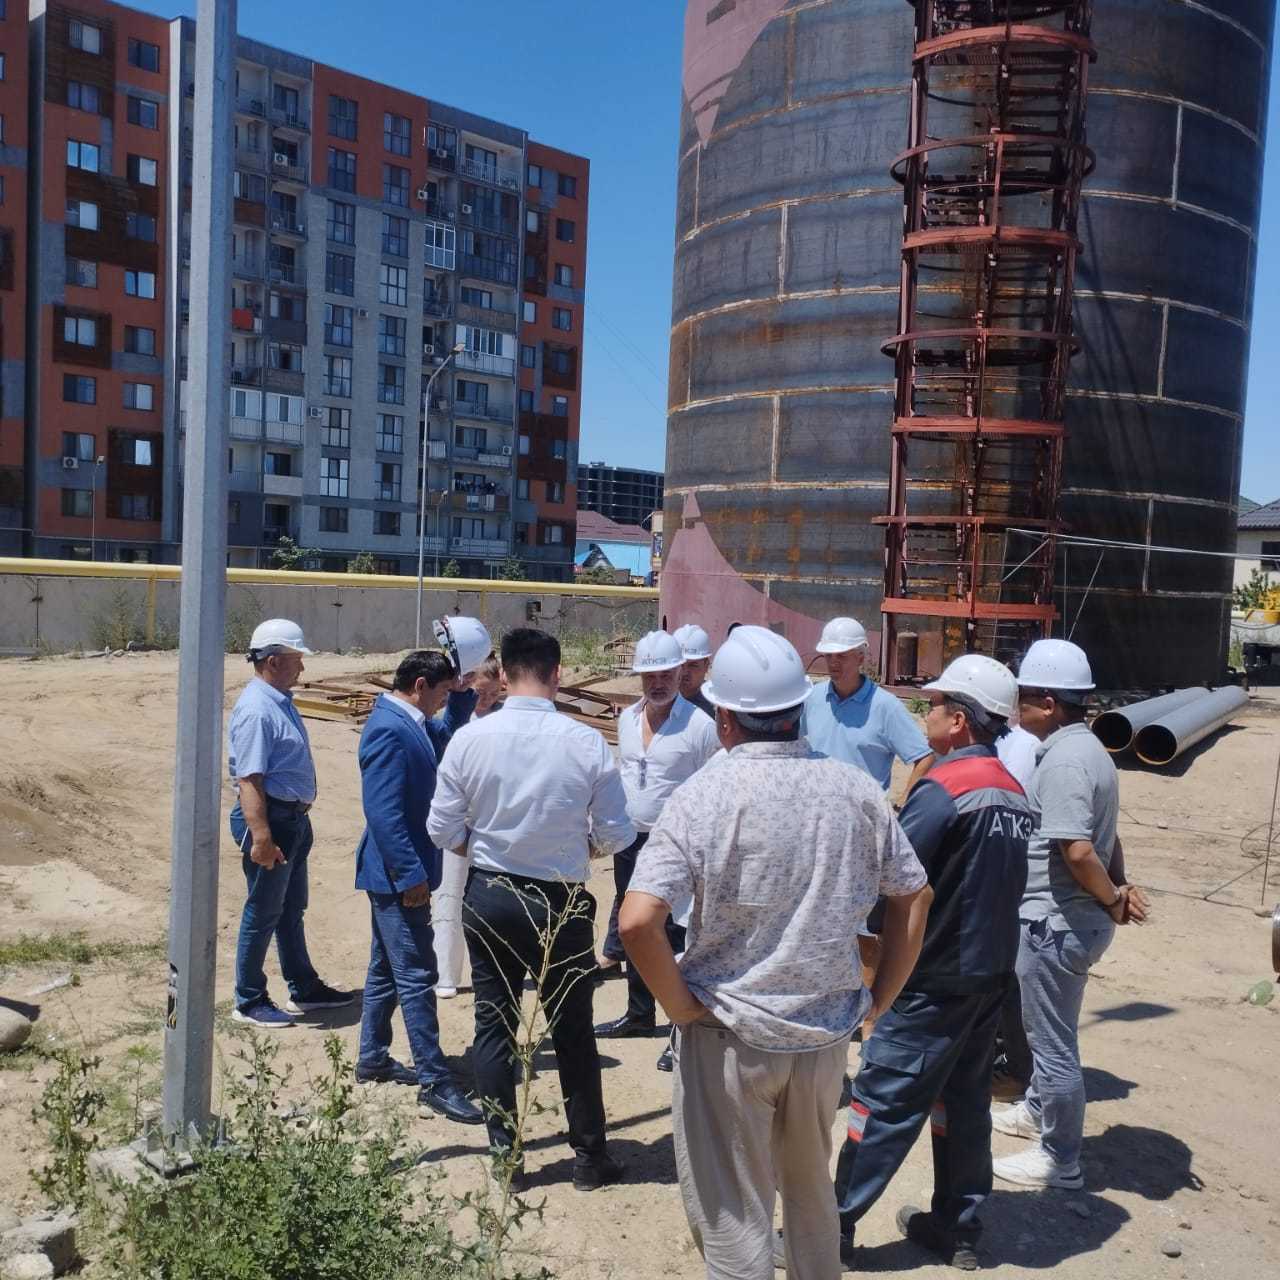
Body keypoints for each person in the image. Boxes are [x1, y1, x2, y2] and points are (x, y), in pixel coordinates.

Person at [620, 626, 932, 1280]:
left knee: (736, 1215)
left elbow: (638, 921)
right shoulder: (855, 791)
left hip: (730, 1039)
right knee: (812, 1194)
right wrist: (879, 1000)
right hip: (822, 1042)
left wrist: (681, 1008)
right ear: (798, 710)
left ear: (724, 718)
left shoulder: (703, 796)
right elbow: (915, 895)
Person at [829, 655, 1032, 1270]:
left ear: (961, 720)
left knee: (883, 1103)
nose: (928, 712)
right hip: (989, 980)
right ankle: (958, 1229)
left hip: (932, 982)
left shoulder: (944, 789)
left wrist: (862, 942)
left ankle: (830, 1230)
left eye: (937, 704)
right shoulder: (1013, 791)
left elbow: (895, 874)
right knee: (964, 1106)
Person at [428, 627, 635, 1190]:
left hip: (490, 894)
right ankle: (589, 1158)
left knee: (493, 1024)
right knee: (572, 1030)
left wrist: (486, 849)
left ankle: (506, 1157)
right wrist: (579, 847)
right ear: (558, 673)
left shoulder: (471, 740)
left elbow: (441, 827)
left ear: (503, 673)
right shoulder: (585, 742)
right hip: (559, 903)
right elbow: (617, 833)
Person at [992, 639, 1149, 1191]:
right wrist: (1118, 886)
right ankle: (1037, 1110)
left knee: (1053, 1044)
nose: (1016, 707)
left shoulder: (1063, 761)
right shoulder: (1088, 751)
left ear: (1050, 703)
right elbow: (1109, 838)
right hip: (1070, 920)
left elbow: (1079, 851)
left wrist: (1111, 899)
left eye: (1024, 697)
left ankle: (1060, 1159)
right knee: (1047, 1031)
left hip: (1055, 924)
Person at [353, 649, 482, 1124]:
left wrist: (462, 695)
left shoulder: (410, 720)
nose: (444, 700)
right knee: (416, 973)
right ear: (421, 685)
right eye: (443, 692)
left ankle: (373, 1057)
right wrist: (411, 876)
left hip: (397, 872)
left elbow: (443, 739)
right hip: (396, 875)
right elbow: (383, 813)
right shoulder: (389, 729)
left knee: (385, 969)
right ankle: (434, 1080)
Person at [595, 632, 719, 1067]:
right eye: (650, 676)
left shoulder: (700, 726)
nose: (658, 683)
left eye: (666, 674)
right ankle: (638, 1012)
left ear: (680, 672)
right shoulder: (627, 719)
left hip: (678, 845)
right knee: (633, 926)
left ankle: (679, 1028)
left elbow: (715, 787)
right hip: (631, 840)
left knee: (677, 932)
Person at [227, 619, 352, 1028]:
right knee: (263, 911)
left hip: (292, 820)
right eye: (297, 659)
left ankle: (304, 987)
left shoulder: (279, 701)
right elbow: (249, 779)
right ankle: (249, 999)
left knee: (290, 909)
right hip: (272, 822)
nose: (303, 667)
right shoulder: (257, 710)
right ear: (275, 661)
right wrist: (261, 836)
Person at [802, 616, 934, 805]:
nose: (833, 662)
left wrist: (902, 804)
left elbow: (925, 758)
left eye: (841, 655)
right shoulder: (812, 698)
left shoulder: (886, 706)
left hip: (864, 817)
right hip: (815, 812)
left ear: (861, 658)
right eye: (828, 655)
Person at [432, 638, 500, 1001]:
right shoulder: (454, 720)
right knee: (451, 893)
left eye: (491, 693)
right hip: (460, 818)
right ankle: (446, 971)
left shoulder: (505, 720)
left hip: (494, 819)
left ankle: (491, 971)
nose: (484, 700)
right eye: (479, 693)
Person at [672, 623, 714, 716]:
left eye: (693, 665)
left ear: (706, 665)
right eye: (680, 665)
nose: (684, 672)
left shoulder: (716, 706)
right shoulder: (659, 703)